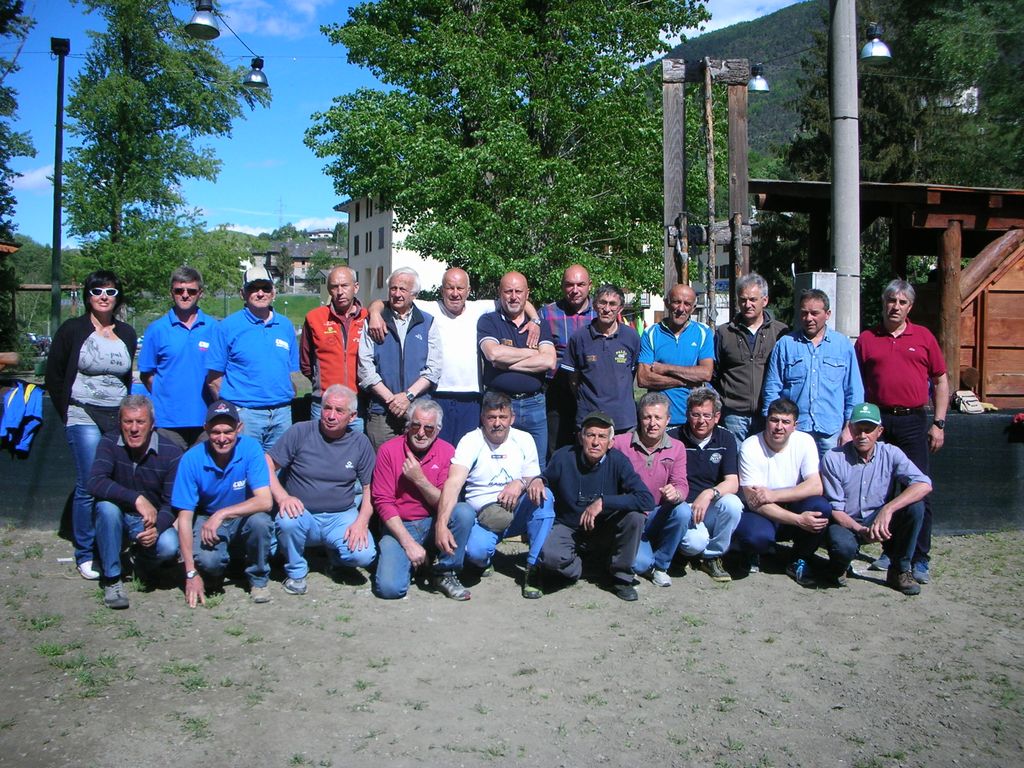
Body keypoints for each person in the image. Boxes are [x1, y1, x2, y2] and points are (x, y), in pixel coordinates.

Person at [365, 267, 540, 447]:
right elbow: (383, 302)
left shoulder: (479, 308)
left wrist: (535, 320)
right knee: (439, 451)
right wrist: (375, 314)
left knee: (467, 450)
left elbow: (515, 298)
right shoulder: (429, 308)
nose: (455, 293)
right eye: (450, 288)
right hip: (437, 395)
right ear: (442, 290)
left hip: (472, 397)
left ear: (468, 291)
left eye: (460, 288)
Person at [855, 279, 949, 584]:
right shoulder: (867, 339)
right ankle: (891, 551)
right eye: (891, 301)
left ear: (910, 307)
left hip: (912, 421)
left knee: (918, 487)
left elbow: (941, 381)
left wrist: (939, 423)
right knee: (883, 489)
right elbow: (856, 384)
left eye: (902, 302)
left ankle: (920, 557)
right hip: (878, 421)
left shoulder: (923, 337)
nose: (895, 307)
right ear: (883, 303)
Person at [45, 269, 137, 581]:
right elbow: (55, 375)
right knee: (89, 482)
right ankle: (85, 552)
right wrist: (68, 412)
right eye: (97, 291)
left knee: (116, 479)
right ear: (88, 295)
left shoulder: (126, 333)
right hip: (82, 413)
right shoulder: (73, 330)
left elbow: (126, 379)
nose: (103, 297)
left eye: (110, 292)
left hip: (116, 416)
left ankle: (111, 543)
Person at [438, 391, 555, 599]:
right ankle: (484, 560)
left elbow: (533, 477)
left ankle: (533, 567)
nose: (497, 423)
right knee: (475, 553)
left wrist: (521, 483)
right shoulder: (470, 441)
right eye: (491, 417)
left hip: (517, 511)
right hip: (484, 517)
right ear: (483, 418)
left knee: (544, 495)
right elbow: (454, 482)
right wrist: (441, 524)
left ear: (512, 418)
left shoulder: (524, 439)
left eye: (503, 417)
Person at [267, 385, 376, 596]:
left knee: (363, 555)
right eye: (327, 408)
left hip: (341, 515)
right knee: (287, 521)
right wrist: (282, 497)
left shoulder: (360, 442)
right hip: (303, 513)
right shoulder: (300, 432)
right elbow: (267, 463)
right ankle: (296, 572)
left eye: (339, 411)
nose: (331, 416)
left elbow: (369, 487)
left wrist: (362, 521)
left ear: (352, 416)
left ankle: (336, 561)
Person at [535, 411, 654, 601]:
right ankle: (587, 568)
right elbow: (545, 478)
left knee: (635, 517)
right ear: (581, 437)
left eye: (602, 436)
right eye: (590, 435)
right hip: (569, 527)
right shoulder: (564, 457)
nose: (595, 442)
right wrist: (538, 480)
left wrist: (604, 502)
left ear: (611, 442)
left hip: (604, 528)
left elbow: (646, 499)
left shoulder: (619, 461)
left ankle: (620, 578)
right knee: (550, 559)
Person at [820, 403, 931, 595]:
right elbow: (836, 509)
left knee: (915, 507)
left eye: (868, 429)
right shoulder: (833, 458)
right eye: (858, 429)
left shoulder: (891, 453)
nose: (862, 435)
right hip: (846, 521)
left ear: (879, 431)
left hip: (878, 518)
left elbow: (924, 484)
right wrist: (860, 529)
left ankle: (900, 570)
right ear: (850, 429)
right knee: (842, 546)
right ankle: (840, 565)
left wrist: (888, 509)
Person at [171, 400, 274, 606]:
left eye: (228, 432)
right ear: (206, 429)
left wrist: (222, 514)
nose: (222, 438)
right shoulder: (191, 459)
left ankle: (258, 580)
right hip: (207, 517)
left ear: (239, 428)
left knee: (261, 522)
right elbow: (184, 518)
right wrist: (190, 572)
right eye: (215, 432)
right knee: (210, 565)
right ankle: (217, 570)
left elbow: (265, 501)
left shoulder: (251, 448)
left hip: (241, 516)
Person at [371, 398, 475, 600]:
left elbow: (444, 501)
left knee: (463, 512)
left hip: (433, 522)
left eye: (428, 428)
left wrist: (420, 480)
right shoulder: (388, 451)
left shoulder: (447, 451)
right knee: (390, 589)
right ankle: (418, 563)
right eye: (416, 425)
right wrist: (408, 543)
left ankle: (445, 571)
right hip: (401, 525)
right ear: (408, 425)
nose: (420, 433)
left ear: (438, 430)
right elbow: (383, 502)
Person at [88, 395, 183, 609]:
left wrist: (157, 529)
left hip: (150, 520)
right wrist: (136, 498)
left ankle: (139, 562)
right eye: (128, 421)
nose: (133, 428)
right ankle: (112, 579)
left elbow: (171, 504)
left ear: (152, 424)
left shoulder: (171, 452)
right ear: (119, 422)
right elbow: (94, 482)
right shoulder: (109, 442)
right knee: (106, 508)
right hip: (118, 517)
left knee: (169, 545)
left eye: (140, 422)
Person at [733, 398, 833, 586]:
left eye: (786, 422)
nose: (779, 427)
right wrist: (799, 520)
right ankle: (752, 552)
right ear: (766, 421)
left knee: (821, 508)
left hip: (788, 503)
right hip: (761, 511)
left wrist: (774, 495)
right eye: (774, 420)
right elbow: (754, 501)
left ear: (795, 426)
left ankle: (799, 558)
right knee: (755, 537)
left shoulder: (805, 441)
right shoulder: (750, 446)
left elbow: (816, 486)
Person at [205, 266, 299, 451]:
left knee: (279, 467)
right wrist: (234, 412)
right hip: (246, 416)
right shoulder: (227, 327)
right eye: (253, 288)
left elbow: (292, 372)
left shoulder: (285, 325)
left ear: (273, 292)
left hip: (282, 415)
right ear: (243, 293)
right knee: (244, 465)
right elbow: (214, 380)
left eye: (265, 288)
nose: (260, 293)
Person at [763, 289, 864, 458]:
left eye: (814, 313)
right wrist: (772, 424)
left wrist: (849, 427)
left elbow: (854, 391)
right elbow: (772, 389)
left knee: (831, 474)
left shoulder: (843, 345)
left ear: (827, 314)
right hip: (795, 431)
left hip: (831, 432)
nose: (808, 318)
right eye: (804, 313)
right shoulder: (785, 345)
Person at [358, 267, 442, 450]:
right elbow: (365, 368)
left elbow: (434, 369)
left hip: (418, 412)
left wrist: (408, 396)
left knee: (416, 463)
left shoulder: (427, 322)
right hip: (382, 411)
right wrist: (392, 400)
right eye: (393, 288)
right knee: (382, 462)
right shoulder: (373, 321)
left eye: (403, 289)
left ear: (414, 294)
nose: (396, 294)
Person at [479, 271, 556, 468]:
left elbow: (549, 361)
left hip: (534, 404)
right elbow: (493, 354)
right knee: (497, 463)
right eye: (508, 291)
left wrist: (507, 363)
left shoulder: (540, 326)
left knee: (536, 465)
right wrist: (532, 353)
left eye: (518, 291)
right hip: (498, 404)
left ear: (527, 294)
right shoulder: (488, 321)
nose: (513, 296)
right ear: (500, 293)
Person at [611, 393, 689, 588]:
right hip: (632, 516)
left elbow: (681, 483)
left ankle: (662, 565)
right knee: (640, 564)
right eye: (647, 417)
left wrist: (676, 493)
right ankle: (644, 560)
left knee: (683, 511)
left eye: (658, 418)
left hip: (658, 512)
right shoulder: (620, 443)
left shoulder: (677, 447)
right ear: (640, 418)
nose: (652, 423)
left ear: (667, 420)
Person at [138, 266, 218, 449]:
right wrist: (166, 396)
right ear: (171, 293)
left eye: (191, 291)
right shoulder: (157, 329)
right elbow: (147, 374)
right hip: (167, 423)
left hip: (206, 420)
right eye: (179, 290)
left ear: (200, 293)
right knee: (170, 468)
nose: (185, 295)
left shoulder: (214, 328)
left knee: (202, 468)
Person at [673, 388, 743, 582]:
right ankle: (684, 552)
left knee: (733, 504)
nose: (701, 421)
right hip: (684, 506)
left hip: (710, 503)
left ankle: (712, 556)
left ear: (717, 417)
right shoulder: (674, 437)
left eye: (706, 415)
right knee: (695, 543)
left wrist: (709, 493)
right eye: (695, 415)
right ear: (688, 414)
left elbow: (732, 482)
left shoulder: (726, 438)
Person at [713, 272, 788, 445]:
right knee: (736, 458)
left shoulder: (780, 332)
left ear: (765, 300)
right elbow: (715, 373)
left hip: (768, 413)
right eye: (743, 300)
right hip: (734, 414)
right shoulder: (724, 332)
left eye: (753, 299)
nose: (748, 305)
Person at [564, 283, 640, 436]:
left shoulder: (631, 336)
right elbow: (573, 380)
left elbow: (632, 372)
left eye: (612, 304)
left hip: (623, 420)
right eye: (602, 303)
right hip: (589, 419)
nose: (607, 309)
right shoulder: (579, 338)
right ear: (594, 305)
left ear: (620, 308)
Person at [300, 266, 369, 428]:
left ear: (356, 287)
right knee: (319, 444)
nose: (340, 292)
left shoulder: (368, 317)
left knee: (355, 444)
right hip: (323, 403)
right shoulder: (314, 318)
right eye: (334, 287)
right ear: (329, 290)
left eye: (344, 285)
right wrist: (320, 381)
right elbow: (305, 363)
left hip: (357, 404)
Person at [637, 284, 714, 427]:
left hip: (694, 420)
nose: (681, 309)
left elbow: (706, 373)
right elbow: (643, 379)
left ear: (693, 308)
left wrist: (665, 368)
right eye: (676, 302)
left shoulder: (703, 332)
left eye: (687, 304)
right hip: (659, 422)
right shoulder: (651, 333)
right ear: (667, 303)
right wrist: (685, 381)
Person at [539, 264, 595, 454]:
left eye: (581, 284)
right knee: (556, 446)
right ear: (562, 286)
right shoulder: (547, 313)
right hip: (556, 389)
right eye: (570, 285)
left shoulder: (601, 313)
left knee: (588, 445)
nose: (575, 290)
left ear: (590, 285)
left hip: (590, 389)